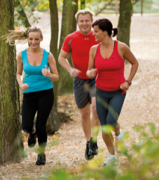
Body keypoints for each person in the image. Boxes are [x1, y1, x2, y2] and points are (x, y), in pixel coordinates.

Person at [86, 18, 138, 166]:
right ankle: (112, 157)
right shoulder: (94, 49)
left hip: (117, 92)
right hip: (101, 91)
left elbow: (135, 63)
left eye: (96, 31)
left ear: (105, 32)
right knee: (104, 126)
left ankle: (118, 133)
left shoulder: (121, 47)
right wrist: (91, 73)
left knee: (110, 122)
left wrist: (128, 82)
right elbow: (89, 71)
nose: (93, 34)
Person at [4, 26, 59, 165]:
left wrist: (49, 75)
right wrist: (20, 84)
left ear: (41, 39)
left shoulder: (48, 55)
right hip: (28, 93)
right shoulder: (21, 55)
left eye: (36, 39)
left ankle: (41, 154)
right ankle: (32, 133)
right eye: (31, 39)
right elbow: (17, 73)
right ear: (27, 39)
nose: (34, 42)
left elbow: (56, 76)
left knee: (41, 124)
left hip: (46, 93)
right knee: (27, 125)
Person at [58, 9, 100, 160]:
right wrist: (70, 69)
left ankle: (94, 141)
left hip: (97, 78)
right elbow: (62, 57)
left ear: (92, 21)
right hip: (79, 79)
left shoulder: (98, 36)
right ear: (77, 22)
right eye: (81, 21)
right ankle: (88, 143)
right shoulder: (70, 38)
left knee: (95, 109)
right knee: (84, 115)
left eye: (87, 20)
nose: (84, 23)